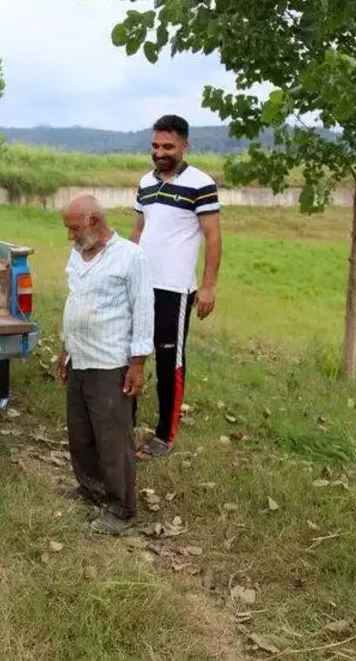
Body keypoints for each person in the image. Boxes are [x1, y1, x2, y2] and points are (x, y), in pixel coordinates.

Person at [57, 195, 154, 536]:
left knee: (112, 439)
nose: (70, 236)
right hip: (80, 357)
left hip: (110, 362)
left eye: (74, 228)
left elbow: (143, 311)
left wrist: (138, 364)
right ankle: (90, 487)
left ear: (95, 222)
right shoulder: (78, 254)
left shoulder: (131, 256)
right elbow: (74, 301)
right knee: (81, 434)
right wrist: (64, 349)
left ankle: (121, 507)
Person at [130, 114, 223, 460]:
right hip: (140, 285)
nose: (160, 152)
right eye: (155, 145)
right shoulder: (145, 183)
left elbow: (213, 239)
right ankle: (126, 423)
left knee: (170, 362)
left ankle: (163, 436)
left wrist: (209, 286)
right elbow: (137, 232)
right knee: (132, 352)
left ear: (184, 146)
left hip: (175, 289)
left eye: (168, 146)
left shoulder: (200, 183)